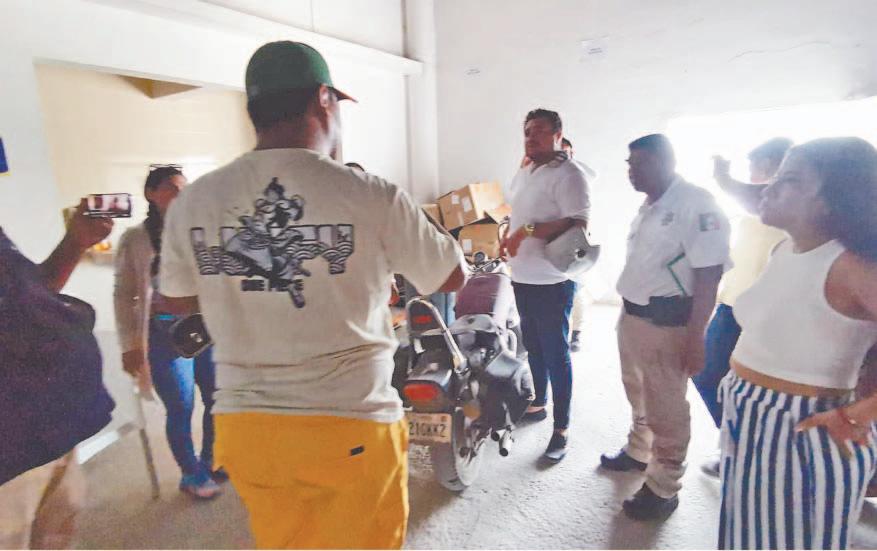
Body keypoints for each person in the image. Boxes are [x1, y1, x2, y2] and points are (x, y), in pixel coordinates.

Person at [157, 41, 466, 549]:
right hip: (349, 422)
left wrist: (245, 289)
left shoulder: (194, 201)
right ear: (324, 99)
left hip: (246, 426)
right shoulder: (370, 193)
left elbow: (176, 299)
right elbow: (451, 277)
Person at [720, 137, 877, 550]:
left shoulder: (850, 266)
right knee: (744, 534)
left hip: (802, 424)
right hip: (748, 412)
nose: (768, 188)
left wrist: (862, 412)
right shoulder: (784, 249)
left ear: (829, 201)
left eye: (789, 180)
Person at [602, 134, 731, 520]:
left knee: (666, 406)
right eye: (629, 164)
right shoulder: (650, 205)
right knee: (637, 391)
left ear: (667, 161)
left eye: (639, 163)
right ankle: (638, 451)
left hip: (667, 324)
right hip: (633, 316)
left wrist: (697, 337)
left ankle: (664, 486)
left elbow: (709, 275)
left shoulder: (696, 204)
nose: (631, 171)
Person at [0, 202, 112, 549]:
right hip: (9, 453)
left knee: (56, 535)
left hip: (53, 427)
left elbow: (33, 295)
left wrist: (75, 243)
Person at [114, 165, 222, 500]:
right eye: (173, 188)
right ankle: (191, 473)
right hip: (164, 336)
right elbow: (123, 294)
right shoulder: (135, 239)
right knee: (181, 406)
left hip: (206, 329)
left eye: (185, 188)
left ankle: (211, 460)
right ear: (152, 194)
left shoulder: (199, 230)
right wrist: (129, 345)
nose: (181, 194)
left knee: (218, 399)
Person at [693, 138, 792, 477]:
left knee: (759, 387)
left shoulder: (790, 208)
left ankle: (748, 452)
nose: (751, 176)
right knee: (706, 373)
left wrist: (723, 177)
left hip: (768, 314)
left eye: (756, 168)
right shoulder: (755, 210)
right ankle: (735, 444)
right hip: (731, 304)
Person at [501, 108, 591, 462]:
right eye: (527, 131)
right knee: (534, 347)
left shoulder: (569, 174)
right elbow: (521, 213)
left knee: (556, 354)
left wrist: (525, 232)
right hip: (522, 277)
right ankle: (538, 402)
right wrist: (509, 234)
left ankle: (561, 430)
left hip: (553, 280)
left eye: (539, 131)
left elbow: (578, 222)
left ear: (558, 134)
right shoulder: (527, 169)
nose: (531, 137)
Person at [560, 137, 598, 353]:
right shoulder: (547, 177)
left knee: (576, 288)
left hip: (577, 239)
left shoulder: (579, 176)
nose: (562, 157)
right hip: (554, 241)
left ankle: (576, 333)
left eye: (566, 152)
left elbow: (593, 174)